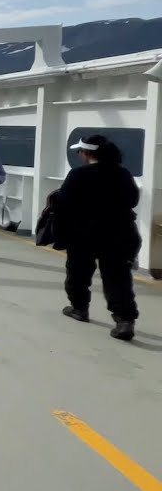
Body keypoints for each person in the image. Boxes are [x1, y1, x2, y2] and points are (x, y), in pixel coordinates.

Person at [53, 134, 140, 341]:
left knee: (78, 274)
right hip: (119, 233)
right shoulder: (123, 174)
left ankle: (79, 309)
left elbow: (63, 205)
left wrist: (61, 235)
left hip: (83, 234)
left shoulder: (78, 175)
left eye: (79, 151)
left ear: (86, 153)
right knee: (118, 278)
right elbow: (132, 200)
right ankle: (124, 321)